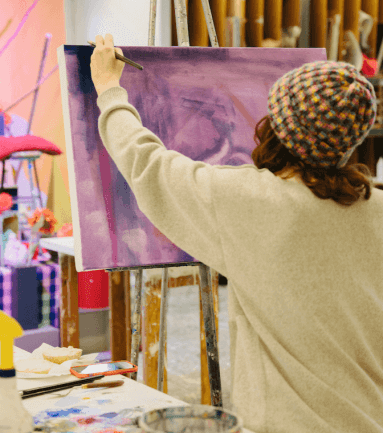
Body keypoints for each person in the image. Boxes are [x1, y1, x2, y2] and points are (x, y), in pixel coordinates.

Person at [90, 33, 383, 433]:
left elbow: (147, 164)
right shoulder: (376, 209)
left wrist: (109, 90)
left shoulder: (252, 203)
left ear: (277, 128)